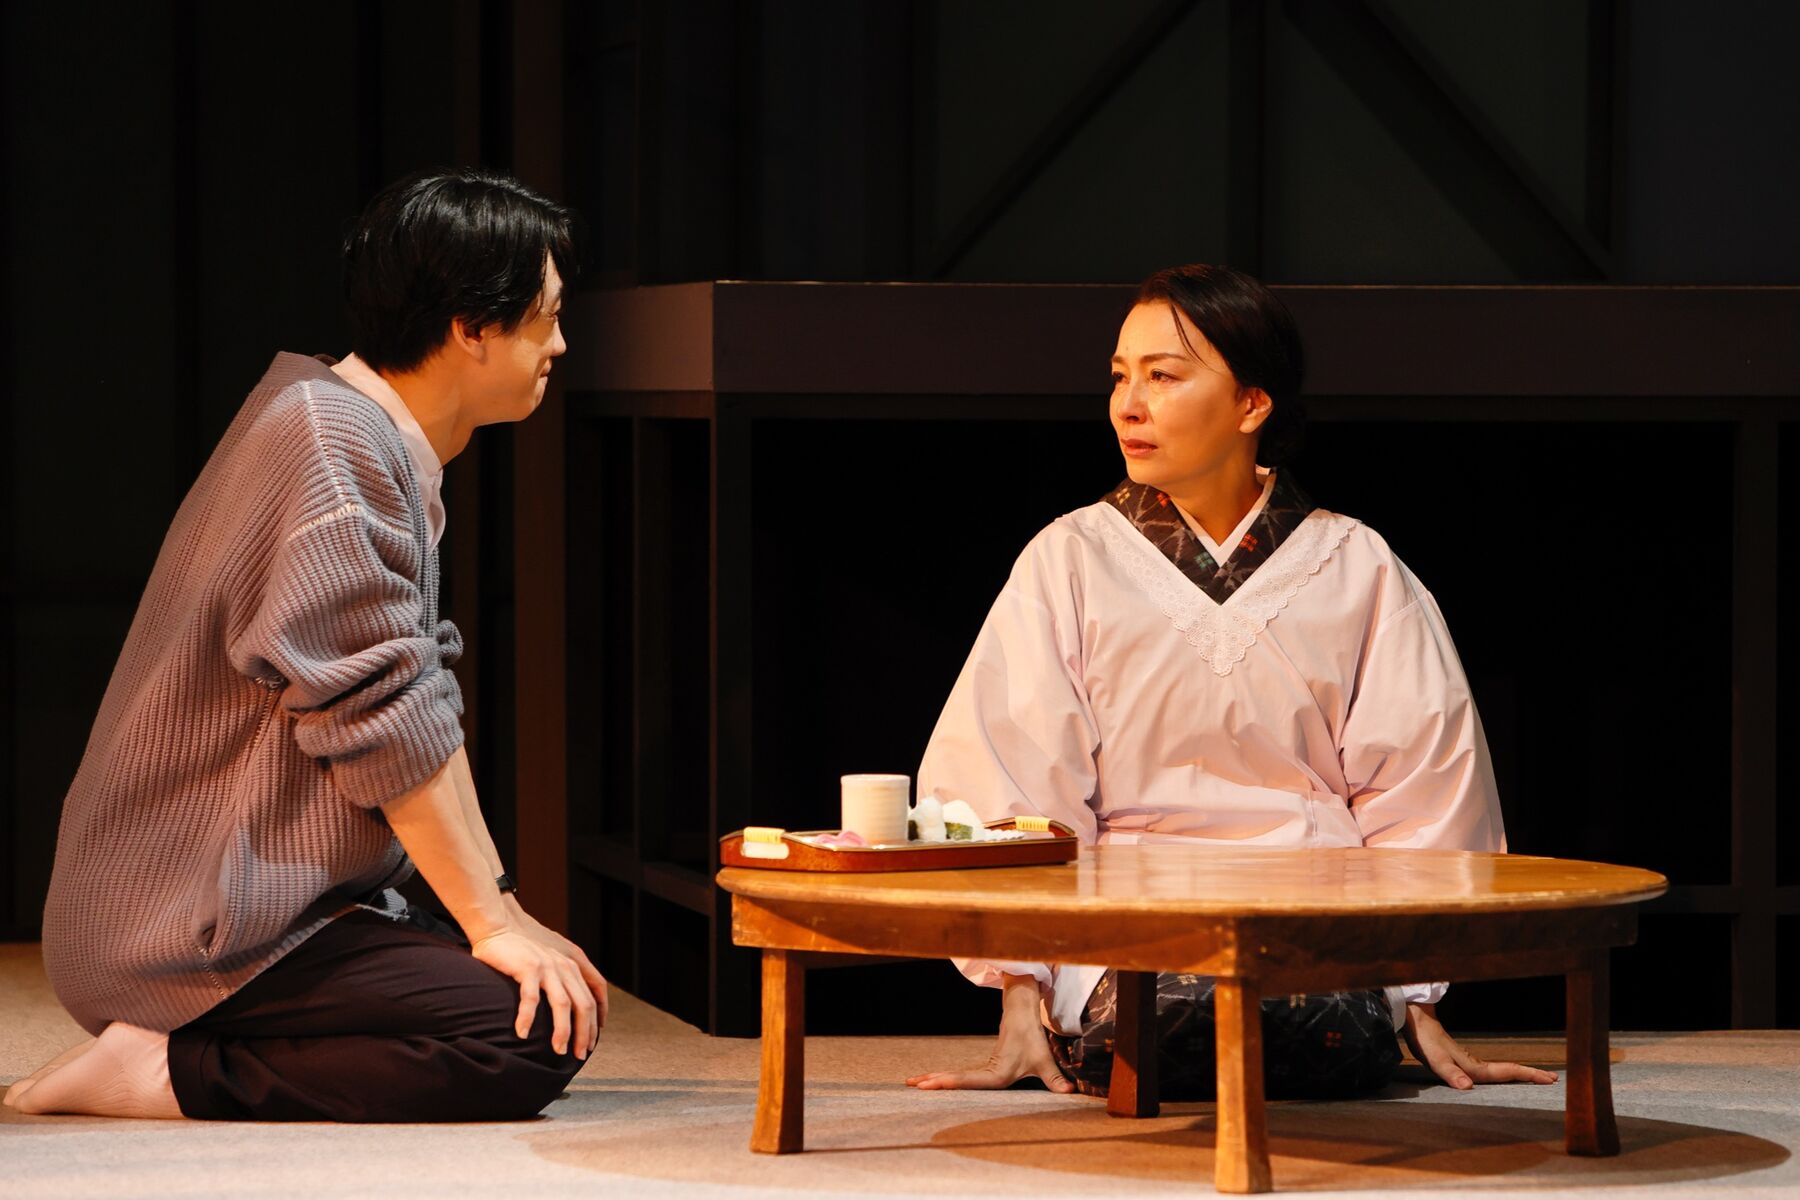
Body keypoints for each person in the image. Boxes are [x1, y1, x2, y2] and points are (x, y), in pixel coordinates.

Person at [3, 169, 607, 1122]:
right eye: (546, 318)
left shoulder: (347, 425)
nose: (560, 345)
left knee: (558, 993)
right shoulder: (329, 443)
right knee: (518, 1035)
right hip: (187, 920)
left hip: (275, 896)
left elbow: (418, 707)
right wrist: (488, 925)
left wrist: (504, 907)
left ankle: (182, 1049)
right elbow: (381, 715)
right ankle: (163, 1071)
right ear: (471, 327)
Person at [905, 264, 1556, 1100]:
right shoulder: (1070, 558)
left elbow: (1425, 790)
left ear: (1252, 403)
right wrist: (1019, 994)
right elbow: (1011, 782)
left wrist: (1416, 992)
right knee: (1178, 1018)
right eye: (1120, 376)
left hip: (1316, 910)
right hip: (1126, 919)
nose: (1128, 405)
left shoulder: (1355, 564)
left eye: (1163, 376)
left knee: (1307, 1021)